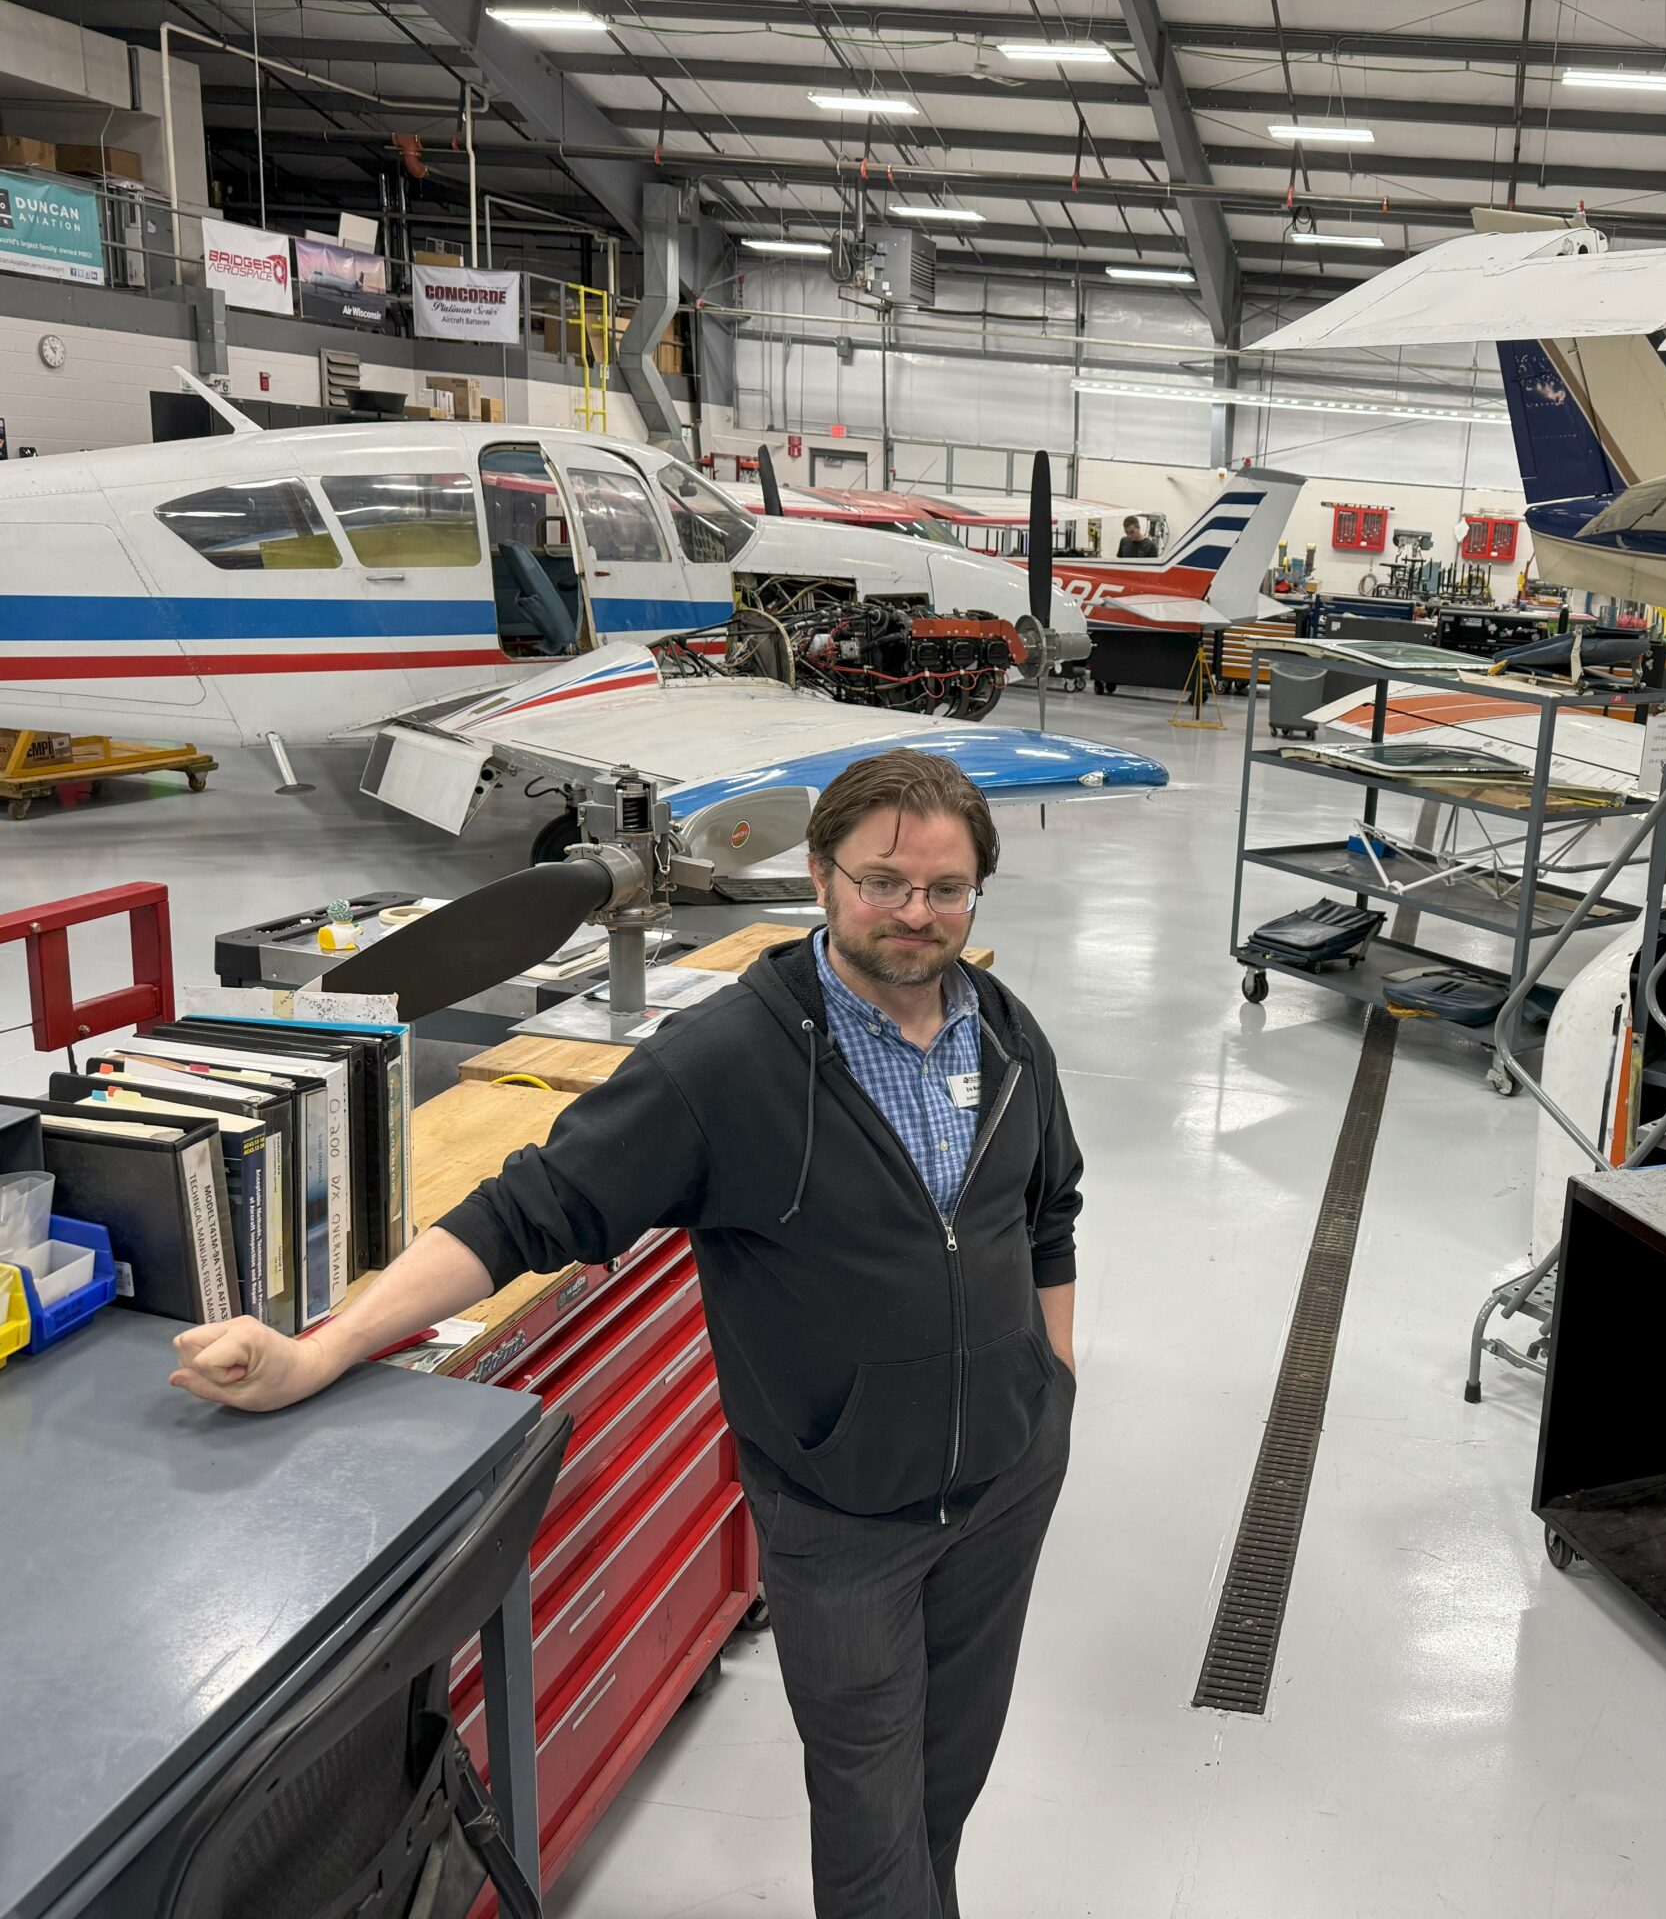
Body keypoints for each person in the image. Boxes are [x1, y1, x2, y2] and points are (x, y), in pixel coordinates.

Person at [168, 750, 1084, 1919]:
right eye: (883, 883)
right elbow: (522, 1210)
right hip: (842, 1512)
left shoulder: (1001, 1030)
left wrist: (1051, 1387)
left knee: (947, 1776)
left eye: (947, 890)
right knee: (866, 1810)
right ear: (818, 877)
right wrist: (324, 1348)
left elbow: (1047, 1210)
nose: (916, 914)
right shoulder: (727, 1066)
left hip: (1004, 1485)